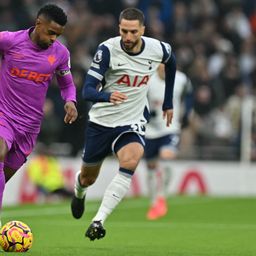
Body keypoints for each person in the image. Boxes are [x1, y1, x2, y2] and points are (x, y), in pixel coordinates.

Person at [71, 7, 176, 241]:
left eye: (133, 32)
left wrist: (168, 101)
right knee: (89, 177)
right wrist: (107, 96)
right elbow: (87, 91)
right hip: (101, 122)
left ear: (143, 30)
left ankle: (98, 221)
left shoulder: (156, 48)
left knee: (130, 160)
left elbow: (171, 62)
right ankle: (79, 191)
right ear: (119, 28)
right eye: (124, 31)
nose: (128, 37)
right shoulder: (107, 50)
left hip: (132, 121)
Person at [0, 4, 78, 220]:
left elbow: (67, 84)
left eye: (58, 34)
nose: (54, 38)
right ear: (38, 24)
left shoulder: (61, 53)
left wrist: (70, 101)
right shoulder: (9, 40)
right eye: (51, 33)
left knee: (3, 177)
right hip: (3, 115)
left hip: (30, 127)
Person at [144, 64, 193, 220]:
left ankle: (161, 196)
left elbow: (189, 94)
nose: (164, 70)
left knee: (167, 156)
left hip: (170, 128)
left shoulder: (181, 79)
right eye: (161, 67)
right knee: (151, 166)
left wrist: (187, 114)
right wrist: (146, 114)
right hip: (150, 130)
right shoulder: (148, 80)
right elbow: (140, 99)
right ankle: (153, 202)